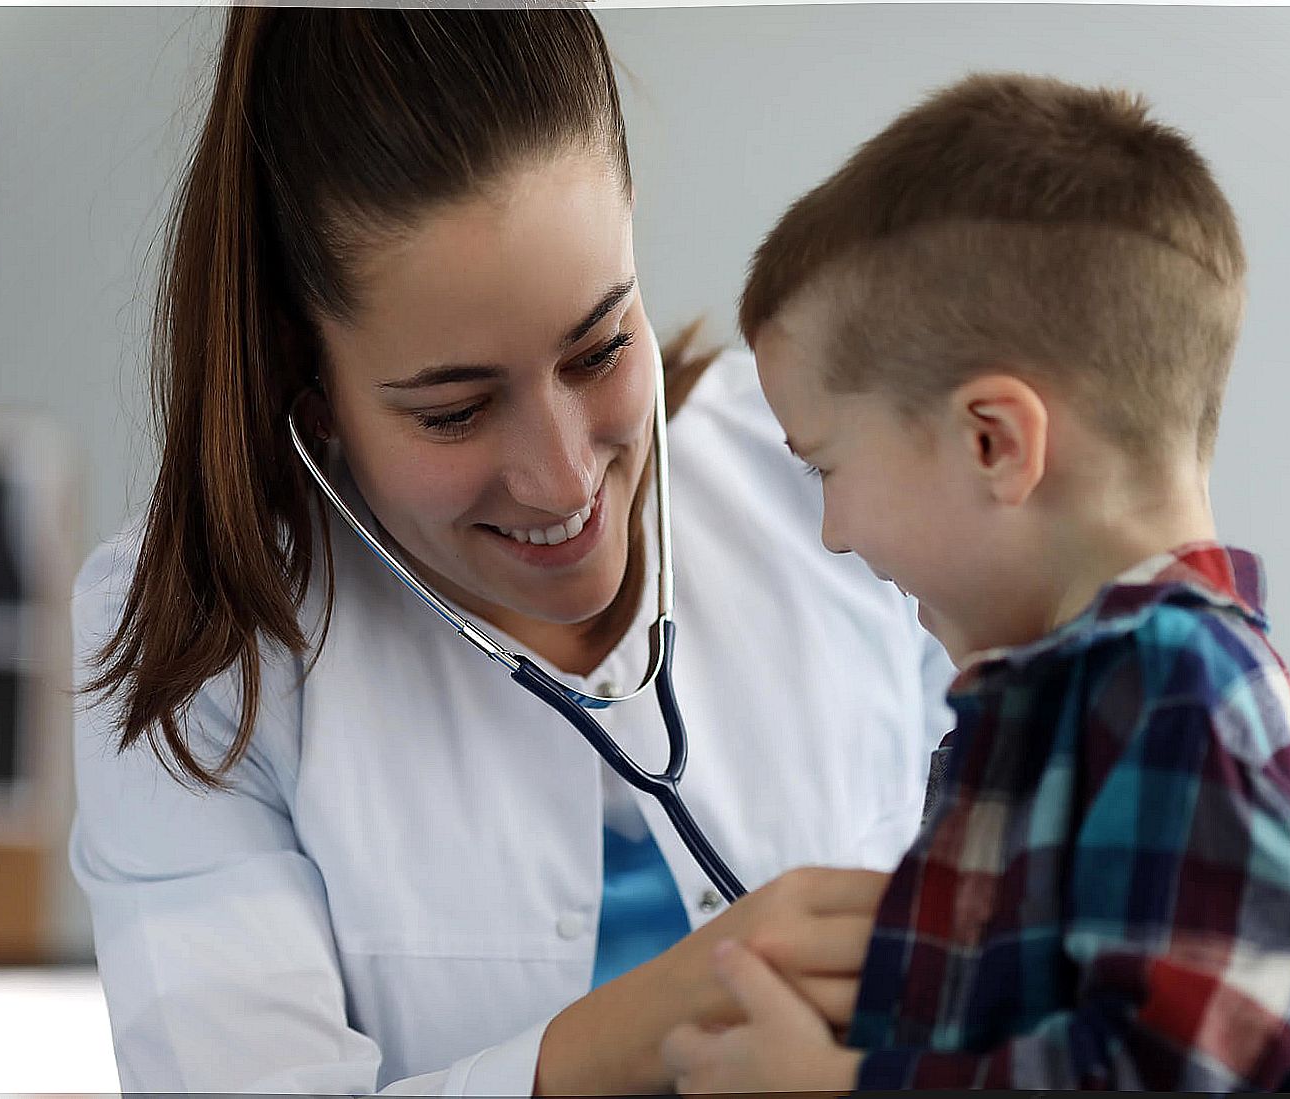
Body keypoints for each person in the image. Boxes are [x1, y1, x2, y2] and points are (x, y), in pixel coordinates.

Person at [69, 8, 956, 1094]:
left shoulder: (832, 474)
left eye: (598, 349)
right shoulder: (197, 643)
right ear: (310, 381)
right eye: (454, 410)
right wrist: (648, 1022)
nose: (563, 478)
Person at [661, 72, 1290, 1092]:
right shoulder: (1084, 697)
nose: (834, 532)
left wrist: (844, 1087)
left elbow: (1172, 1073)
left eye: (827, 467)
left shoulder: (1171, 687)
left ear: (992, 441)